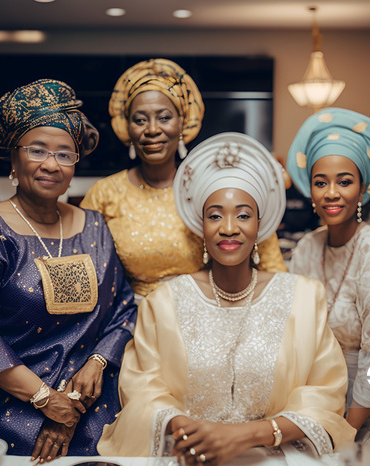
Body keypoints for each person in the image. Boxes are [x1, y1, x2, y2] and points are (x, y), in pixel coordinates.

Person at [98, 132, 355, 464]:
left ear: (260, 225)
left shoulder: (304, 299)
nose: (229, 228)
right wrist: (193, 432)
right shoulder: (162, 304)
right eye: (215, 215)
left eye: (243, 215)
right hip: (190, 454)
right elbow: (141, 388)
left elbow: (325, 395)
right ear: (201, 226)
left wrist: (245, 435)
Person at [0, 79, 137, 460]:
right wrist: (44, 398)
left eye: (65, 154)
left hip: (88, 400)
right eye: (38, 150)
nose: (52, 164)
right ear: (14, 159)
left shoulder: (96, 226)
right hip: (6, 404)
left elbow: (123, 309)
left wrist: (97, 362)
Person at [80, 58, 287, 298]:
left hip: (207, 316)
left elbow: (269, 263)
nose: (152, 130)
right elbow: (88, 272)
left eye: (164, 117)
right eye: (140, 119)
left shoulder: (213, 187)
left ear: (182, 123)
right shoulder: (104, 193)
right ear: (128, 127)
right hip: (132, 320)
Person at [286, 108, 370, 453]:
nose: (331, 193)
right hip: (321, 404)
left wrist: (343, 429)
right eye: (320, 182)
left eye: (344, 181)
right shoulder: (306, 248)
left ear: (362, 188)